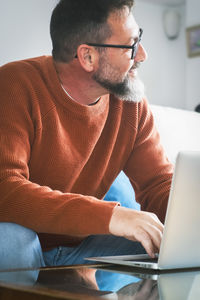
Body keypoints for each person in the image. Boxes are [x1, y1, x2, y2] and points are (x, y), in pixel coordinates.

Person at [0, 0, 173, 272]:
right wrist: (112, 216)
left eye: (139, 39)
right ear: (88, 57)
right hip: (21, 242)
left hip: (81, 247)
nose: (142, 55)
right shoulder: (14, 85)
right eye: (130, 45)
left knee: (166, 245)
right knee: (11, 241)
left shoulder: (131, 103)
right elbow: (5, 190)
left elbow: (158, 183)